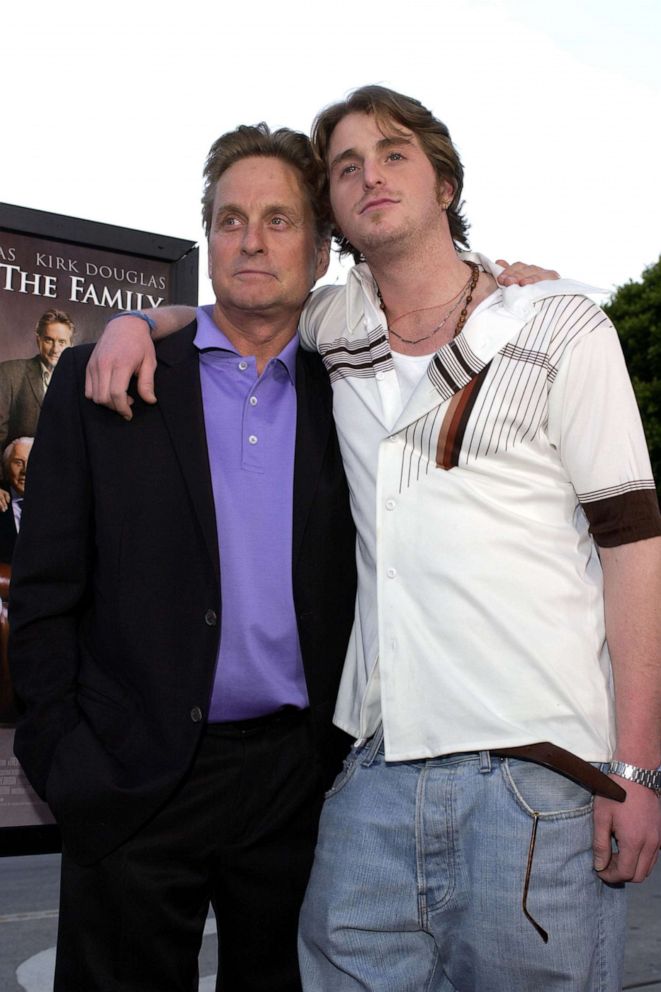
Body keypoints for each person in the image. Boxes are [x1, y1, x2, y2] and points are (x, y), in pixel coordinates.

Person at [85, 85, 661, 992]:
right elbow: (240, 311)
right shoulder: (334, 327)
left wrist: (636, 769)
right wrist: (133, 320)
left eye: (393, 153)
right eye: (346, 165)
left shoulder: (558, 324)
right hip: (373, 777)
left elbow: (634, 549)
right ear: (337, 220)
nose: (369, 174)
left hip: (537, 780)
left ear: (444, 181)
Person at [9, 124, 358, 992]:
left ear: (318, 252)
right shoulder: (106, 377)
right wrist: (68, 762)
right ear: (207, 237)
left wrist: (505, 284)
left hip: (293, 785)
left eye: (279, 220)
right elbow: (45, 593)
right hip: (131, 776)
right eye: (230, 218)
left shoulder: (352, 389)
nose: (250, 239)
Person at [0, 308, 75, 454]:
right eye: (49, 340)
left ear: (71, 345)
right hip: (19, 472)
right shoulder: (9, 372)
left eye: (62, 342)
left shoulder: (79, 382)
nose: (55, 349)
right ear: (38, 340)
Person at [0, 436, 33, 564]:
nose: (25, 471)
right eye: (18, 462)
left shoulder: (55, 504)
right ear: (7, 466)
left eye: (32, 462)